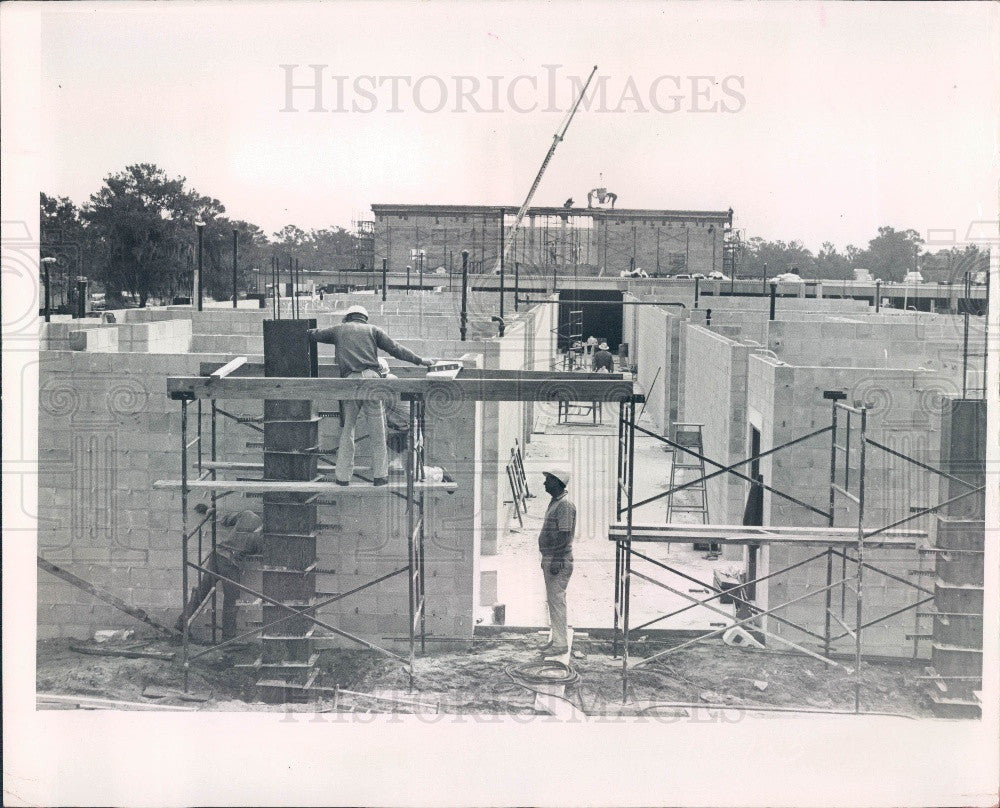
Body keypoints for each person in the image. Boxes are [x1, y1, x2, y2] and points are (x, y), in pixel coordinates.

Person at [308, 305, 433, 486]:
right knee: (377, 431)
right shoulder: (374, 330)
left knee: (347, 429)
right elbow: (397, 349)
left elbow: (315, 334)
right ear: (364, 318)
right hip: (372, 382)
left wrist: (309, 331)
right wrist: (421, 361)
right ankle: (380, 476)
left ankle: (342, 477)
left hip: (350, 382)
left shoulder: (338, 330)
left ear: (348, 317)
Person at [177, 504, 262, 640]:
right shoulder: (263, 535)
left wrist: (208, 511)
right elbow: (257, 552)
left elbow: (224, 519)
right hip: (230, 562)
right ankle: (228, 638)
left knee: (203, 590)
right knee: (232, 600)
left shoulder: (248, 514)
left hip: (217, 555)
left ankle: (182, 622)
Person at [537, 467, 577, 655]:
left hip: (558, 558)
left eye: (548, 480)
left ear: (557, 483)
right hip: (552, 557)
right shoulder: (556, 502)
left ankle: (560, 644)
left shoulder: (564, 506)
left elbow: (564, 535)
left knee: (556, 601)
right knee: (553, 601)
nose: (545, 483)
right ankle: (557, 638)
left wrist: (555, 560)